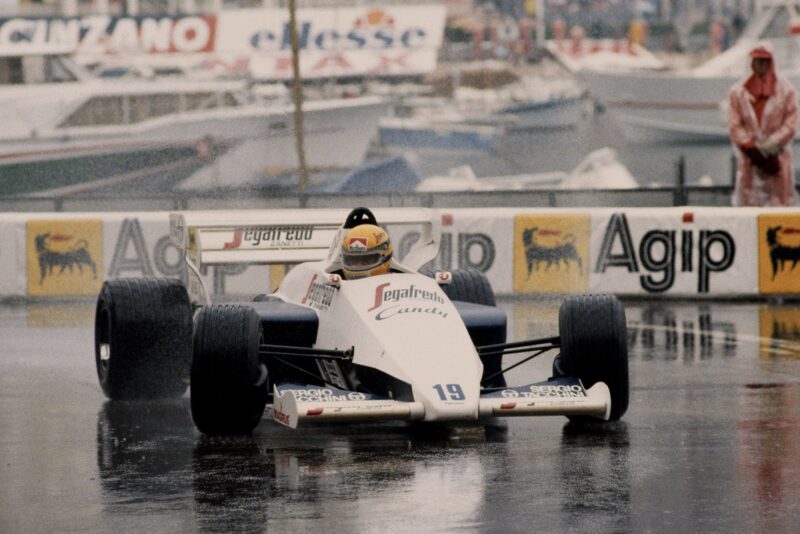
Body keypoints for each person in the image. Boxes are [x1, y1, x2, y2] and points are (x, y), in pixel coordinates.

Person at [728, 45, 798, 206]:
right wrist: (751, 146)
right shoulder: (738, 92)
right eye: (757, 60)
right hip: (749, 160)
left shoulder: (787, 91)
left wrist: (772, 144)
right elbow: (735, 125)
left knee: (779, 205)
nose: (760, 64)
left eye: (764, 60)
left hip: (777, 159)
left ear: (771, 62)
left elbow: (791, 122)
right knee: (748, 206)